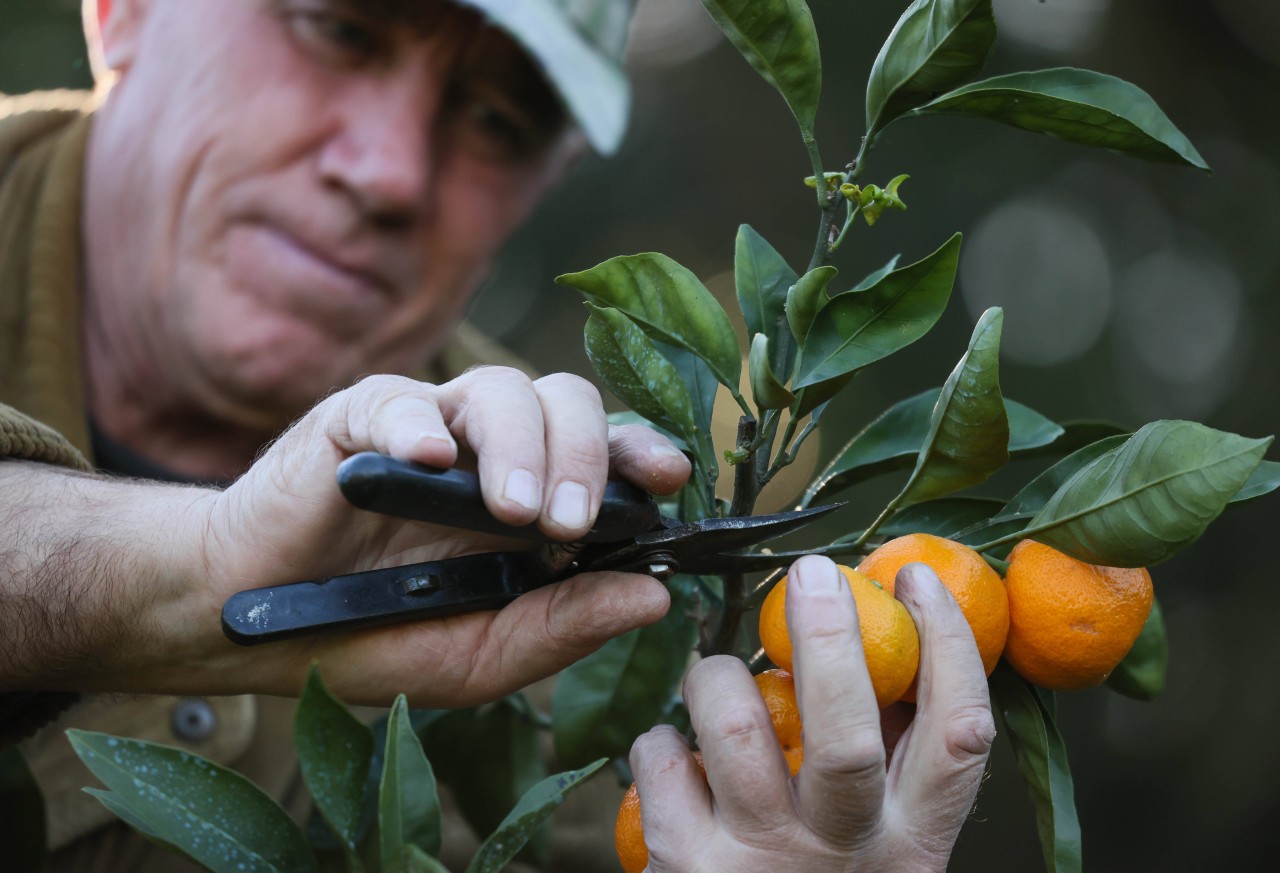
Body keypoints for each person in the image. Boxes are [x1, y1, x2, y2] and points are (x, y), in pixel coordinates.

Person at [0, 0, 995, 870]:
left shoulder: (574, 569)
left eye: (496, 120)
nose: (390, 173)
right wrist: (195, 573)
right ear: (120, 7)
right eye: (339, 27)